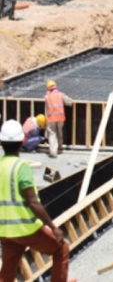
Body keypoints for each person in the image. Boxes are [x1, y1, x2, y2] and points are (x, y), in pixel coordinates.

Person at [0, 120, 77, 282]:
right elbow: (33, 202)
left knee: (7, 271)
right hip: (26, 228)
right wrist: (53, 227)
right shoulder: (21, 167)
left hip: (5, 231)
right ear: (22, 142)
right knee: (61, 250)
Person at [44, 81, 73, 159]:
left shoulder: (47, 97)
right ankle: (60, 147)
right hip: (60, 118)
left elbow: (46, 109)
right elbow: (70, 102)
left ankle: (53, 152)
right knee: (60, 132)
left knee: (52, 134)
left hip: (51, 119)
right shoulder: (60, 95)